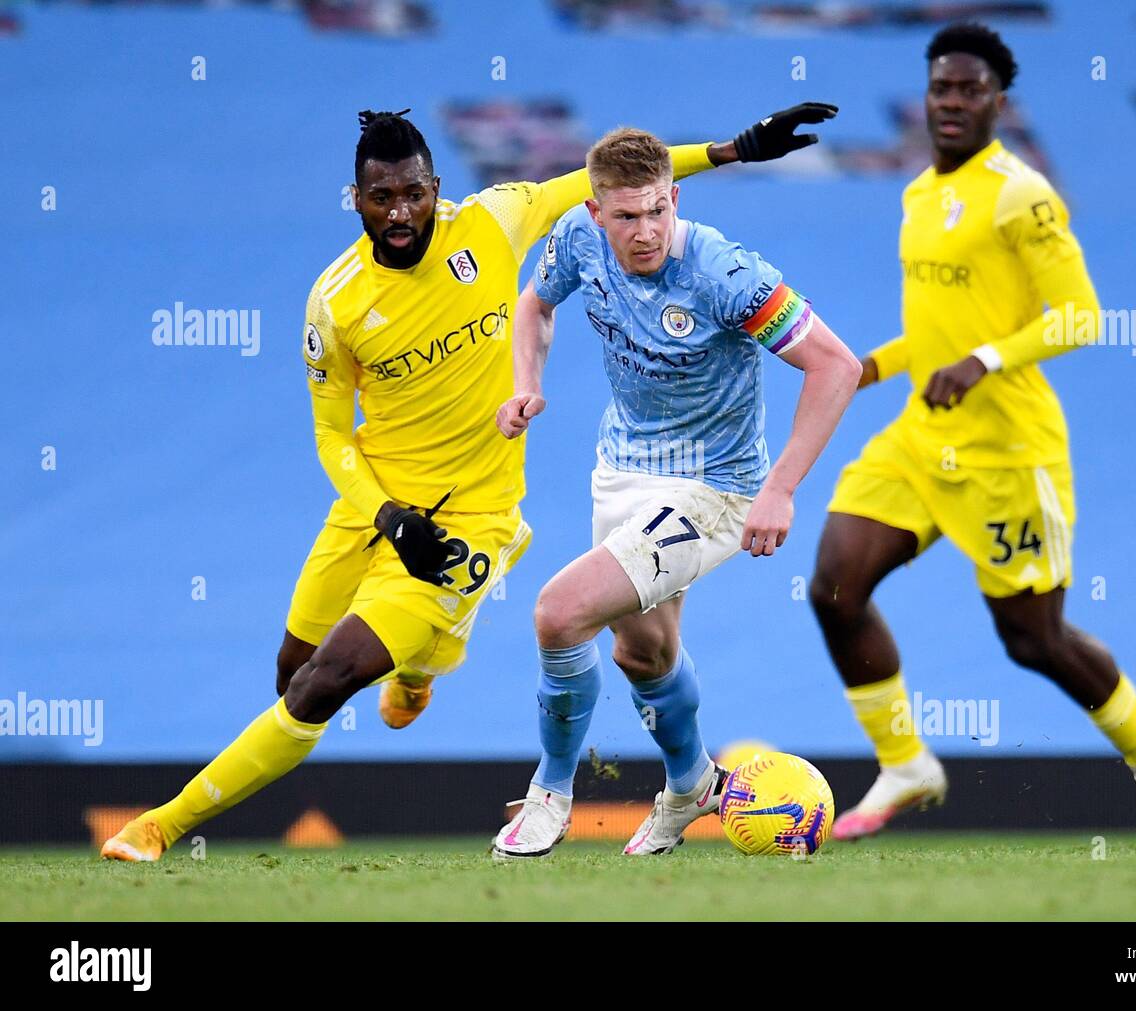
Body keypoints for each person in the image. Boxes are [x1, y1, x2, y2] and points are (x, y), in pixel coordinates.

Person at [101, 105, 831, 862]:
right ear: (355, 199)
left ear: (435, 186)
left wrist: (731, 150)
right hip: (374, 507)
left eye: (413, 193)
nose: (399, 212)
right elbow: (330, 434)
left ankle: (160, 825)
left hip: (471, 522)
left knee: (326, 682)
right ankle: (426, 664)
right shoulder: (334, 301)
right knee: (291, 672)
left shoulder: (494, 221)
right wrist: (385, 510)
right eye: (381, 197)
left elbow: (609, 181)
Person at [809, 24, 1136, 845]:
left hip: (1009, 452)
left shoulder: (1024, 195)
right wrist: (868, 366)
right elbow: (938, 332)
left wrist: (983, 362)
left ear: (998, 102)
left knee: (1032, 638)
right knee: (835, 585)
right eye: (941, 88)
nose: (952, 102)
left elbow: (1081, 316)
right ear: (927, 96)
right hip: (921, 438)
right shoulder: (917, 195)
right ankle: (906, 762)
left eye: (969, 90)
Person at [491, 122, 861, 860]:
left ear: (676, 199)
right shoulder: (576, 237)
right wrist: (525, 385)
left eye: (658, 210)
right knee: (644, 656)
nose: (645, 230)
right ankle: (692, 782)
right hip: (622, 471)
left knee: (560, 614)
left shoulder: (725, 274)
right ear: (596, 214)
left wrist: (780, 488)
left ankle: (550, 792)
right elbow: (534, 305)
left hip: (714, 487)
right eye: (626, 216)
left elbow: (836, 366)